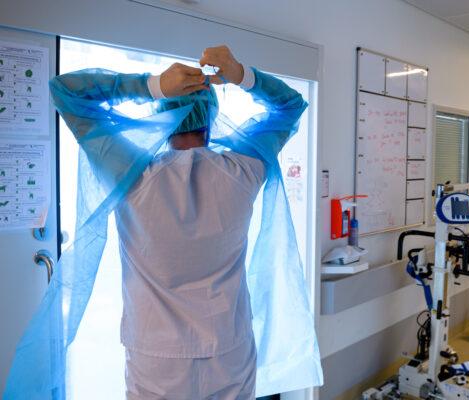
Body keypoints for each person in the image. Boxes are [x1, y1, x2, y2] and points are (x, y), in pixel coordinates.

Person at [49, 46, 307, 399]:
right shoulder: (243, 170)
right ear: (212, 115)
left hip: (157, 359)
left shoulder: (132, 175)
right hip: (228, 350)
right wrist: (241, 74)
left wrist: (152, 86)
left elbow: (67, 91)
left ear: (162, 116)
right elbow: (291, 106)